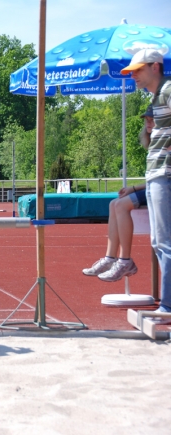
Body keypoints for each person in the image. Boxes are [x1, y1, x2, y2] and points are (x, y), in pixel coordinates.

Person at [121, 49, 171, 315]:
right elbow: (150, 139)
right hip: (156, 174)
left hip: (166, 174)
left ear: (154, 66)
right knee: (158, 242)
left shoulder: (168, 89)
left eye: (137, 70)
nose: (133, 76)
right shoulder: (157, 95)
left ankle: (168, 305)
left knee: (164, 242)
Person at [82, 106, 154, 281]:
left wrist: (134, 188)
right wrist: (133, 188)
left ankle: (125, 260)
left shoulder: (165, 142)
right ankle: (110, 257)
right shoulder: (153, 143)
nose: (148, 123)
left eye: (152, 119)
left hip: (163, 189)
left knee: (121, 205)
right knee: (113, 203)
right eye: (146, 120)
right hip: (154, 186)